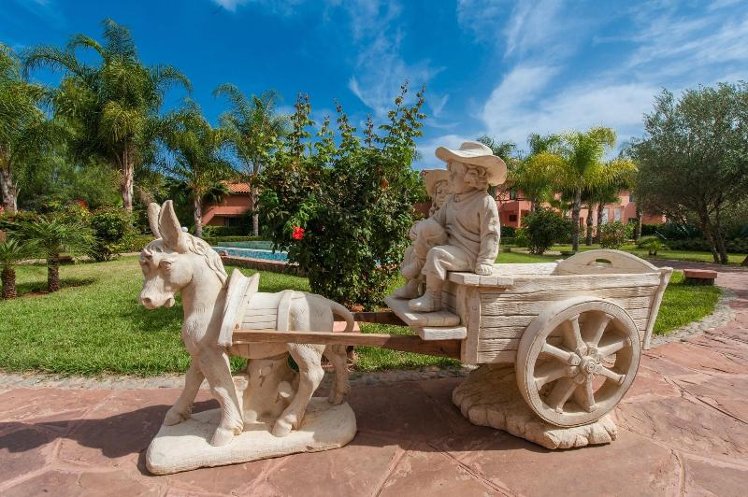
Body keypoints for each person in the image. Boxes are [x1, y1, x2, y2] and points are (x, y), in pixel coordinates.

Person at [403, 141, 506, 313]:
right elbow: (436, 220)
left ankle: (433, 298)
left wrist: (485, 261)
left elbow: (491, 235)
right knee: (427, 227)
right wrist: (419, 228)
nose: (449, 177)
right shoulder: (452, 200)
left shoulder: (484, 202)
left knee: (437, 254)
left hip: (469, 254)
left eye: (454, 173)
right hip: (451, 245)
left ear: (472, 177)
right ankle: (419, 263)